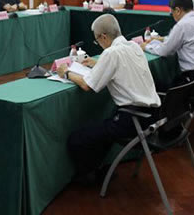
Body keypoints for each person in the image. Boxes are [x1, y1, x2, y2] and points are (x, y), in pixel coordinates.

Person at [57, 14, 161, 178]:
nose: (98, 43)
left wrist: (66, 72)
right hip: (152, 116)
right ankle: (97, 170)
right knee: (104, 128)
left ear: (104, 37)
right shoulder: (134, 47)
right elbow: (123, 66)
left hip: (133, 120)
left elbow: (87, 85)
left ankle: (89, 178)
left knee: (77, 139)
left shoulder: (111, 53)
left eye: (97, 40)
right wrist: (97, 64)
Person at [141, 0, 194, 80]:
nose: (173, 16)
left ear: (178, 10)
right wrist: (161, 39)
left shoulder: (182, 25)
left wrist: (146, 47)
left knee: (162, 85)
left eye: (172, 13)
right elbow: (189, 39)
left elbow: (164, 51)